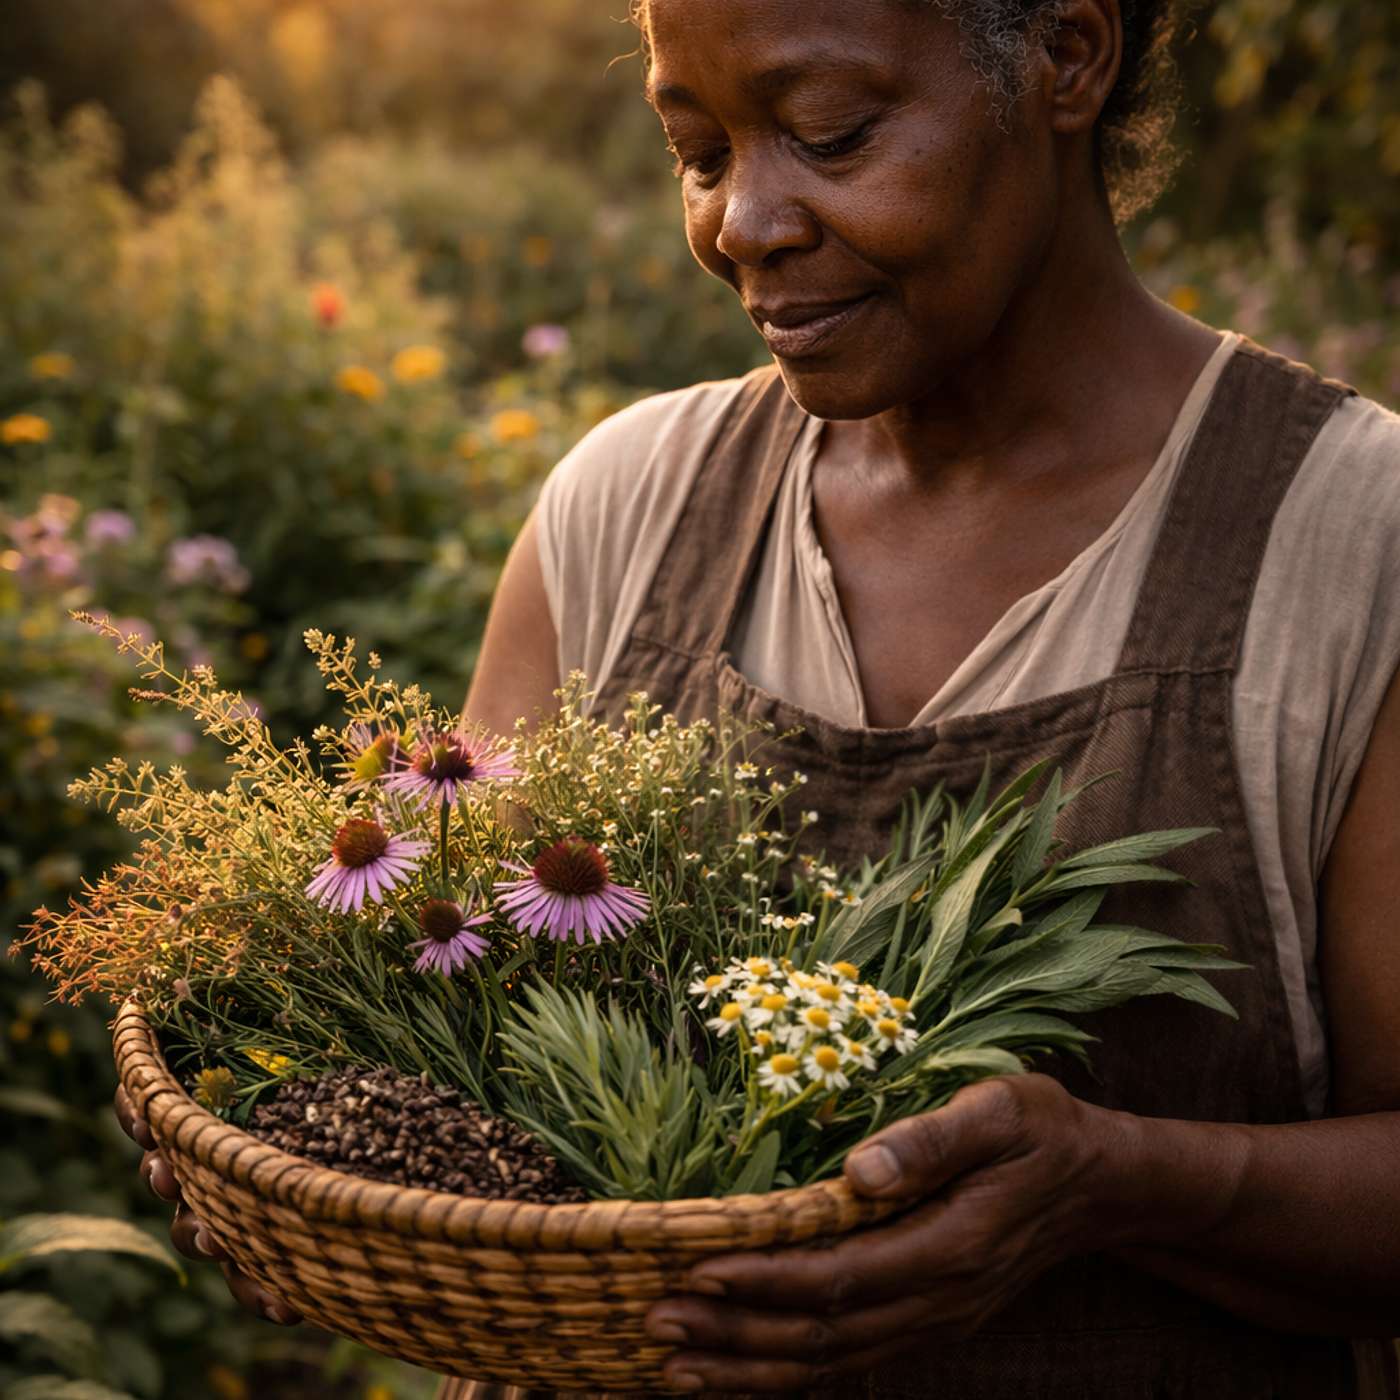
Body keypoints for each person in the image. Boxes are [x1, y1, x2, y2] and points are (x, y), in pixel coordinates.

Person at [118, 0, 1400, 1394]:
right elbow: (464, 1024)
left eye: (829, 134)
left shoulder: (1347, 544)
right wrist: (296, 1138)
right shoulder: (627, 510)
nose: (741, 221)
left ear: (1066, 56)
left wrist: (1123, 1180)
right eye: (700, 147)